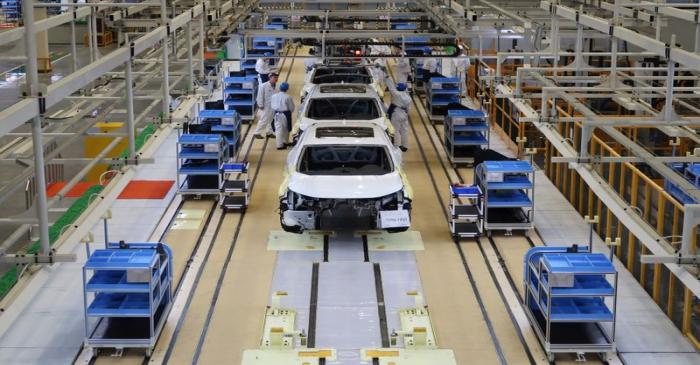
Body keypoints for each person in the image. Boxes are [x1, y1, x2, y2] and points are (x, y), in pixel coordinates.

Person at [385, 76, 411, 152]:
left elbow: (391, 87)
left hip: (396, 114)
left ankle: (397, 146)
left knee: (396, 130)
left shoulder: (397, 94)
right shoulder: (408, 97)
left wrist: (388, 78)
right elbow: (409, 109)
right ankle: (405, 146)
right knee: (404, 130)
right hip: (404, 115)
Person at [271, 82, 295, 149]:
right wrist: (290, 111)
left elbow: (272, 106)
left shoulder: (274, 96)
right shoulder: (288, 97)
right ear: (287, 89)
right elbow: (291, 107)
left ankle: (281, 143)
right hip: (285, 114)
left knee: (278, 129)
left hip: (276, 114)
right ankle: (283, 143)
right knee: (286, 128)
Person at [253, 73, 278, 139]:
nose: (276, 79)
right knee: (264, 119)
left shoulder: (275, 86)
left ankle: (269, 132)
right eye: (274, 77)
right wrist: (260, 104)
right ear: (270, 78)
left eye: (276, 77)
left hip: (273, 106)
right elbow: (259, 96)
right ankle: (257, 132)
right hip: (265, 106)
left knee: (270, 119)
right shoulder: (263, 86)